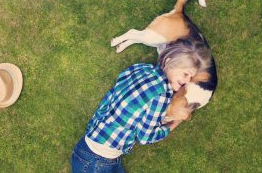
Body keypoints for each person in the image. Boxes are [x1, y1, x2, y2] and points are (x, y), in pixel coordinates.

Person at [71, 39, 212, 173]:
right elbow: (145, 137)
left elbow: (113, 93)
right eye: (185, 74)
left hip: (88, 145)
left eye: (190, 78)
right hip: (98, 162)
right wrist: (173, 125)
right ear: (169, 62)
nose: (187, 81)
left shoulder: (141, 68)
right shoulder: (162, 95)